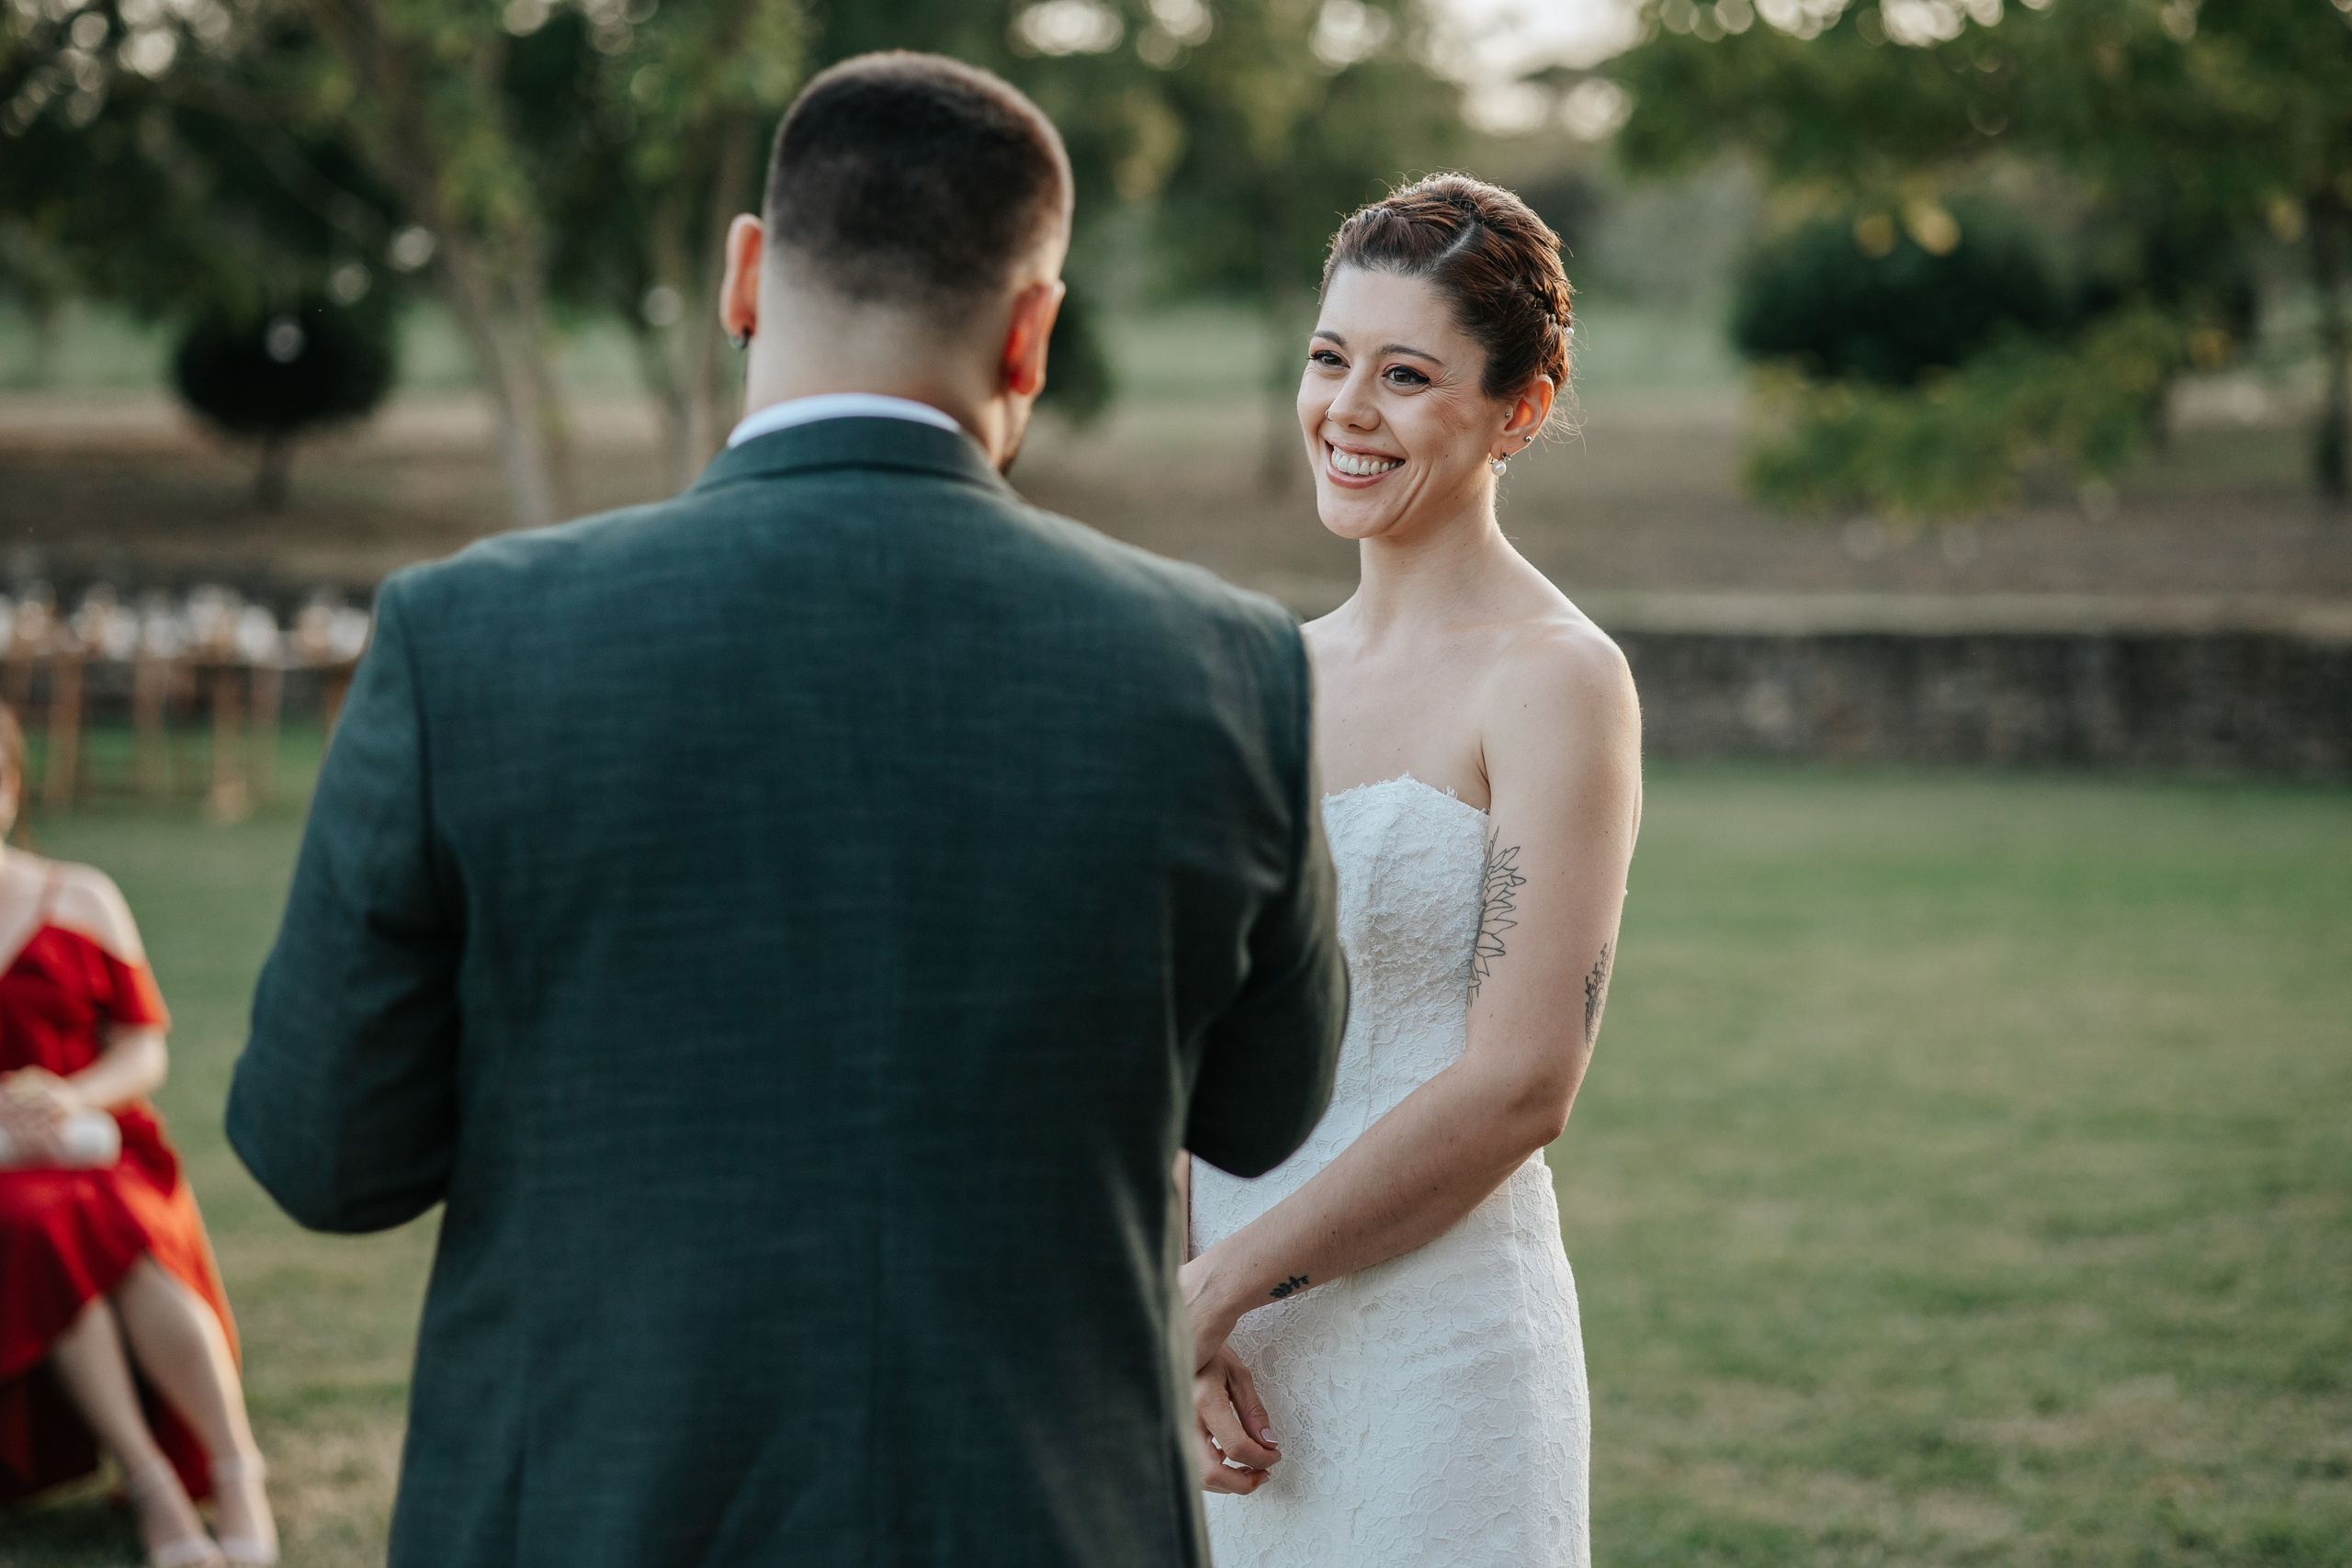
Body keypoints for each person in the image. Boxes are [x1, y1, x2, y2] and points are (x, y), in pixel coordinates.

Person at [227, 51, 1346, 1568]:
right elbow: (1268, 1108)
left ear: (745, 274)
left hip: (591, 1518)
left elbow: (324, 1152)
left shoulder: (469, 640)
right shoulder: (1220, 667)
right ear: (1031, 333)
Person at [1182, 175, 1643, 1566]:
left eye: (1405, 375)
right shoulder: (1267, 673)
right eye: (1329, 359)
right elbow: (1184, 1034)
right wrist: (1177, 1300)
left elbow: (1523, 1081)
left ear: (1521, 410)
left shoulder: (1556, 679)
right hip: (1219, 1360)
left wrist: (1222, 1283)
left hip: (1439, 1352)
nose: (1347, 410)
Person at [0, 706, 277, 1568]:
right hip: (5, 1167)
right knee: (37, 1223)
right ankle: (155, 1485)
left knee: (91, 1221)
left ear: (10, 788)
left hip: (102, 1140)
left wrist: (68, 1095)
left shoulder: (80, 894)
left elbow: (144, 1047)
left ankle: (236, 1469)